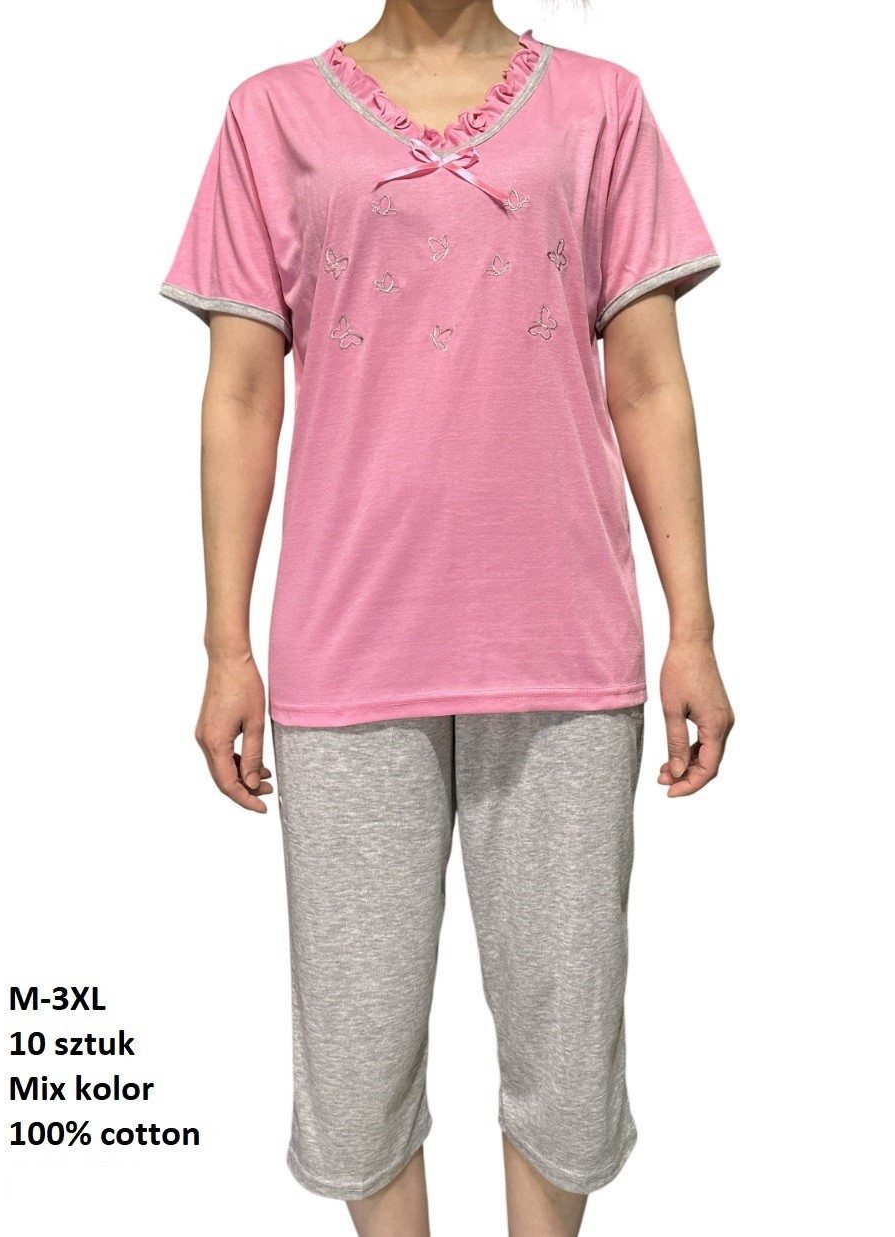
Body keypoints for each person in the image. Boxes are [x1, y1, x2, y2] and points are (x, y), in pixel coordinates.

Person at [161, 1, 734, 1232]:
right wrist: (224, 645)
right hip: (347, 642)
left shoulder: (600, 105)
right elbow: (242, 392)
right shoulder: (270, 114)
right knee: (355, 1040)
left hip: (563, 639)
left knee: (566, 1035)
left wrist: (692, 628)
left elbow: (645, 378)